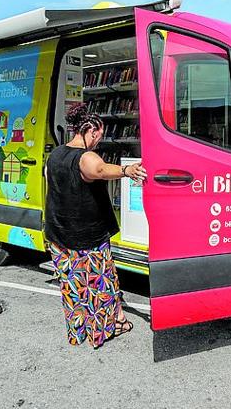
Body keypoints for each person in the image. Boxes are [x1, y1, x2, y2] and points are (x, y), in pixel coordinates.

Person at [44, 103, 147, 349]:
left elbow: (50, 182)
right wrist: (127, 170)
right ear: (90, 131)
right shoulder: (86, 156)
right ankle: (103, 331)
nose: (98, 142)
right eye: (98, 136)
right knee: (101, 284)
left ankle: (79, 332)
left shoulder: (56, 154)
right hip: (87, 235)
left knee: (72, 285)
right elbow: (99, 169)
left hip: (58, 233)